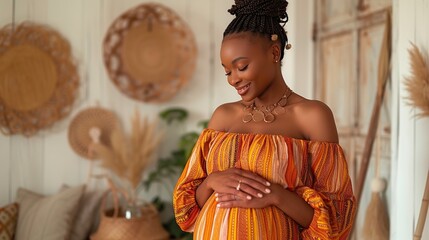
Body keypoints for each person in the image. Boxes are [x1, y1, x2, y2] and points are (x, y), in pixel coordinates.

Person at [173, 0, 356, 239]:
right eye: (227, 71)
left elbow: (336, 220)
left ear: (274, 52)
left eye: (242, 67)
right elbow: (185, 209)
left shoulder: (312, 116)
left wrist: (275, 195)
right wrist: (211, 182)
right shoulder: (224, 116)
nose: (233, 79)